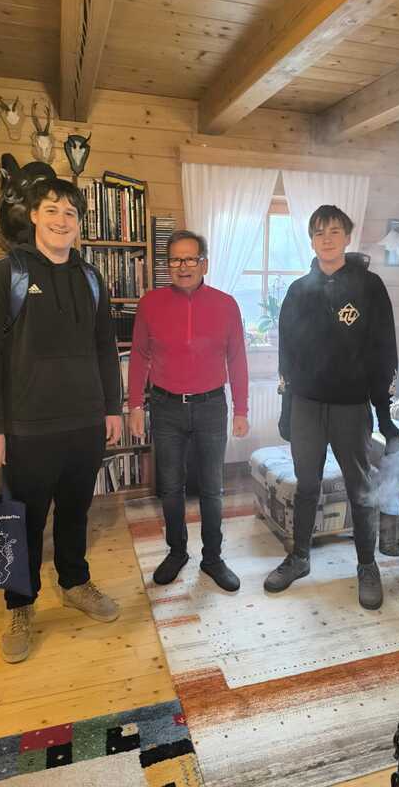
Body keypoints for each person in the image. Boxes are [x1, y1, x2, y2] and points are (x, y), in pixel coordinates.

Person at [0, 178, 123, 664]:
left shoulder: (91, 277)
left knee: (76, 512)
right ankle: (20, 605)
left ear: (79, 224)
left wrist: (113, 408)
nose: (62, 220)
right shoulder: (4, 274)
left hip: (84, 424)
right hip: (27, 430)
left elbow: (105, 348)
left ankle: (75, 583)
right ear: (34, 215)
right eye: (52, 210)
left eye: (71, 213)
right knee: (26, 522)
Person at [264, 205, 399, 609]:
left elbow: (384, 353)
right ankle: (300, 557)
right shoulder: (297, 291)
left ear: (347, 236)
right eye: (319, 232)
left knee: (360, 488)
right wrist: (287, 410)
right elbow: (287, 357)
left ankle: (367, 566)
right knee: (306, 485)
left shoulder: (369, 287)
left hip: (351, 407)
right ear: (311, 240)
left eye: (335, 231)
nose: (327, 238)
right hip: (306, 406)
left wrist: (385, 417)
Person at [128, 230, 249, 591]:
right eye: (175, 260)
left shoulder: (226, 305)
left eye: (190, 259)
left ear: (204, 264)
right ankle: (177, 552)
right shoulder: (150, 304)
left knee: (212, 488)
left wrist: (241, 409)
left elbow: (237, 358)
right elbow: (139, 356)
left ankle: (212, 558)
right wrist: (135, 405)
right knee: (170, 487)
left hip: (211, 406)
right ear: (168, 265)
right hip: (166, 407)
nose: (183, 266)